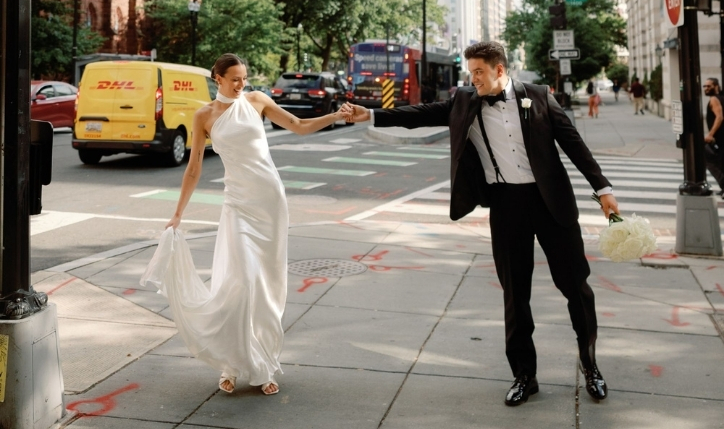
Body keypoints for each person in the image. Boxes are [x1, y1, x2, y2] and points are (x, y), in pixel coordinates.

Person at [342, 41, 619, 407]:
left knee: (576, 288)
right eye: (470, 73)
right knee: (515, 295)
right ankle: (524, 376)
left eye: (479, 73)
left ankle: (591, 365)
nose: (473, 80)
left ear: (499, 70)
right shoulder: (465, 100)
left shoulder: (537, 96)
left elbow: (574, 144)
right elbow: (421, 113)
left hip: (551, 203)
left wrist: (602, 189)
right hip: (506, 206)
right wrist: (372, 114)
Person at [144, 54, 351, 396]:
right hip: (237, 205)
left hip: (269, 201)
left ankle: (265, 364)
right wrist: (178, 212)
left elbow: (298, 125)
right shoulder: (204, 116)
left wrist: (334, 115)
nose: (242, 84)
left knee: (266, 288)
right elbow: (193, 167)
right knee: (241, 282)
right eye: (235, 79)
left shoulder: (257, 101)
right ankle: (232, 364)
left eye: (244, 77)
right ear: (218, 78)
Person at [704, 78, 724, 196]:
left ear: (716, 86)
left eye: (709, 86)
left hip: (720, 137)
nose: (706, 89)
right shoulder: (721, 98)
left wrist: (710, 134)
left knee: (710, 160)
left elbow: (719, 117)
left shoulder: (714, 99)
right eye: (705, 86)